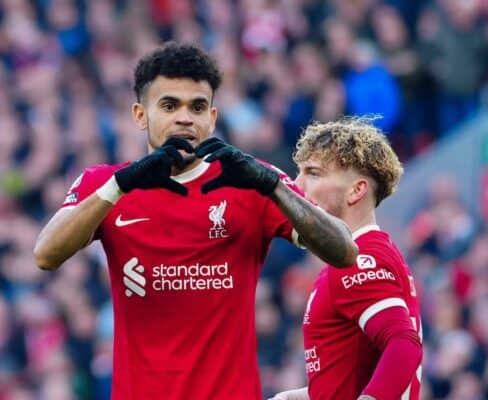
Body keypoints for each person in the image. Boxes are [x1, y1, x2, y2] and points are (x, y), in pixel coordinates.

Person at [33, 42, 357, 400]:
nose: (184, 117)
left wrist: (273, 188)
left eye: (197, 107)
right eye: (169, 105)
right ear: (140, 115)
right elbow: (46, 255)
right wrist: (119, 186)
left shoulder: (253, 182)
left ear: (212, 118)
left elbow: (344, 251)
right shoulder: (107, 185)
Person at [270, 117, 422, 400]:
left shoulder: (359, 259)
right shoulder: (366, 254)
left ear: (357, 190)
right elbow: (346, 378)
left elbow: (404, 345)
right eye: (299, 172)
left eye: (313, 173)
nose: (296, 184)